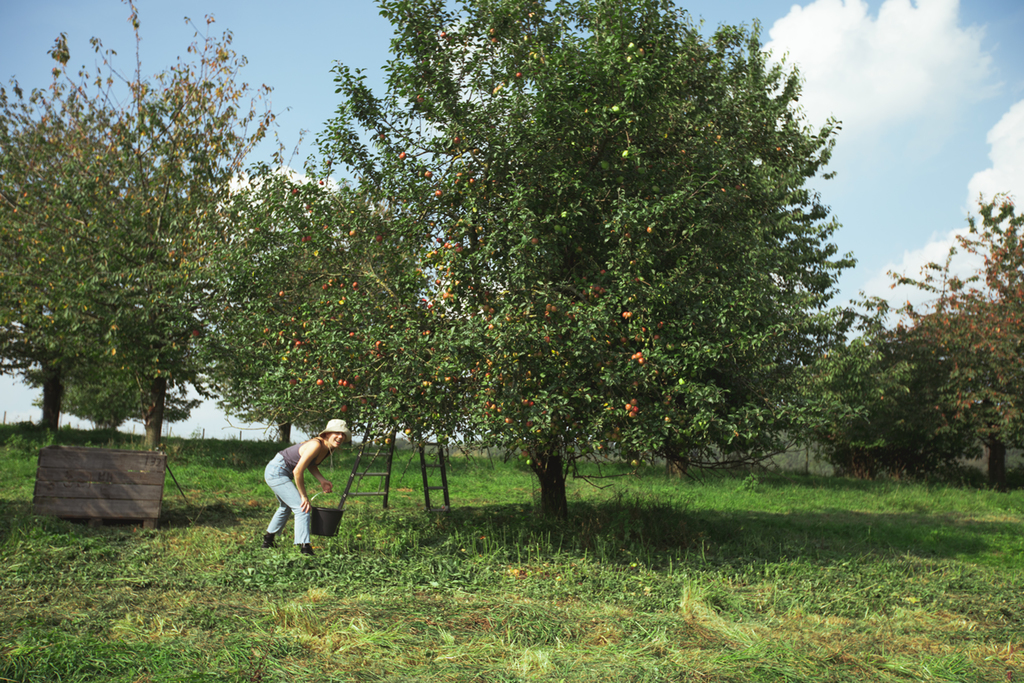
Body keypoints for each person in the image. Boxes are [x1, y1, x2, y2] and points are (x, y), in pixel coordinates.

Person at [262, 419, 351, 555]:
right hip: (276, 471)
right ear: (327, 434)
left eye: (343, 434)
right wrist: (303, 496)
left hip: (281, 471)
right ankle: (305, 549)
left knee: (285, 507)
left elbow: (311, 464)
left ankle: (268, 540)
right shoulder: (315, 445)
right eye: (337, 433)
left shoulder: (329, 449)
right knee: (302, 507)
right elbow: (297, 471)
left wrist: (322, 480)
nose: (340, 436)